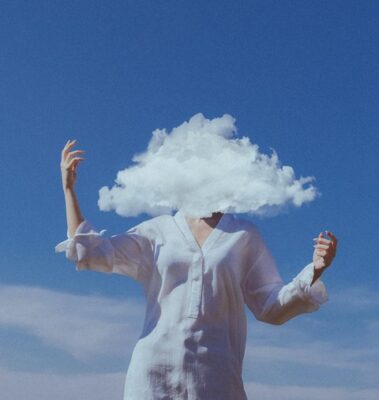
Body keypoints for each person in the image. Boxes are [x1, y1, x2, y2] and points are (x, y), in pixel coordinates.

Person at [55, 139, 338, 400]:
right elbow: (93, 253)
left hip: (216, 379)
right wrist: (69, 190)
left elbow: (271, 307)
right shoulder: (158, 230)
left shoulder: (242, 234)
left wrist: (314, 270)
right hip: (152, 377)